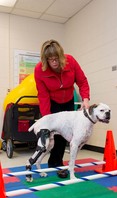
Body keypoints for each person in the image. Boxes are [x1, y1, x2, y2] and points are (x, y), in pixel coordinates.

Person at [34, 39, 90, 177]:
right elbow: (43, 95)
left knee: (64, 135)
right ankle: (54, 163)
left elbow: (82, 81)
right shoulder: (39, 70)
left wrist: (85, 99)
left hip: (68, 101)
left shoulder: (70, 61)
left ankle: (56, 163)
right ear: (45, 60)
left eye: (56, 58)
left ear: (61, 56)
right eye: (50, 59)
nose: (54, 62)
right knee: (54, 134)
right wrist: (47, 119)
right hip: (53, 102)